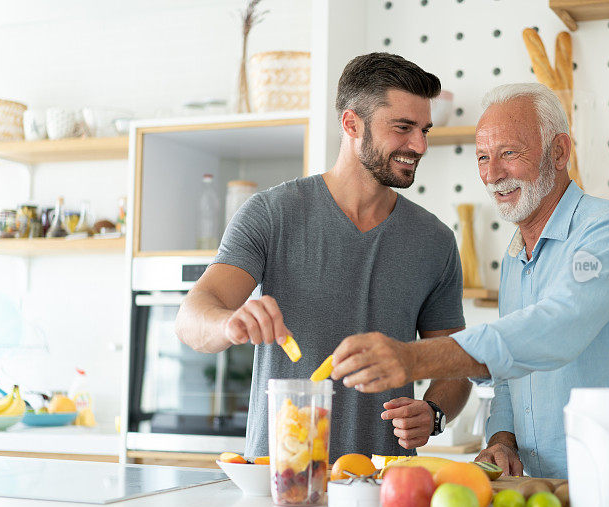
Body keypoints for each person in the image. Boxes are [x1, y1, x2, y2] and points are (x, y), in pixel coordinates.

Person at [330, 82, 609, 494]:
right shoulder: (517, 257)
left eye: (509, 153)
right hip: (541, 494)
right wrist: (502, 438)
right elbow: (509, 378)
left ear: (558, 152)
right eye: (483, 157)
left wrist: (413, 359)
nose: (492, 174)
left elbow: (554, 332)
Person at [175, 52, 471, 460]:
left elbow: (458, 362)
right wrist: (230, 323)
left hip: (385, 491)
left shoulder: (435, 240)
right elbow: (191, 318)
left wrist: (434, 411)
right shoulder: (272, 214)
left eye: (424, 129)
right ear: (351, 123)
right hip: (282, 478)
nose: (419, 145)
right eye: (403, 128)